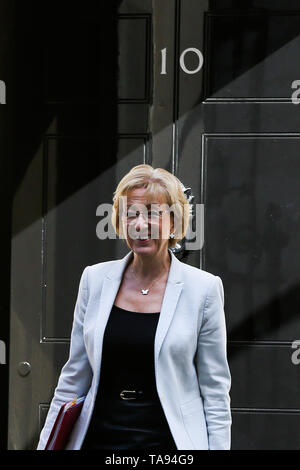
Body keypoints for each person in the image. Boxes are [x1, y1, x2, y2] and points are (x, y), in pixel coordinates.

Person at [37, 164, 231, 450]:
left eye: (152, 214)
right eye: (131, 214)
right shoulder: (94, 279)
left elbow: (215, 393)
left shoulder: (203, 289)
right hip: (98, 440)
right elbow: (73, 378)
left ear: (175, 222)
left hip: (170, 445)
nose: (140, 225)